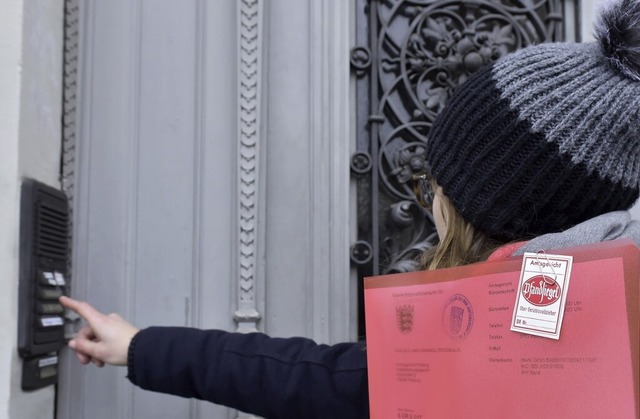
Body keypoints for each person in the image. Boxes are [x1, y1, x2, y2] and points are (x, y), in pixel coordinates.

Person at [60, 0, 640, 417]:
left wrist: (137, 346)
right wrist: (140, 346)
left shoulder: (480, 349)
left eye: (435, 188)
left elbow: (308, 380)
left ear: (484, 211)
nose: (432, 203)